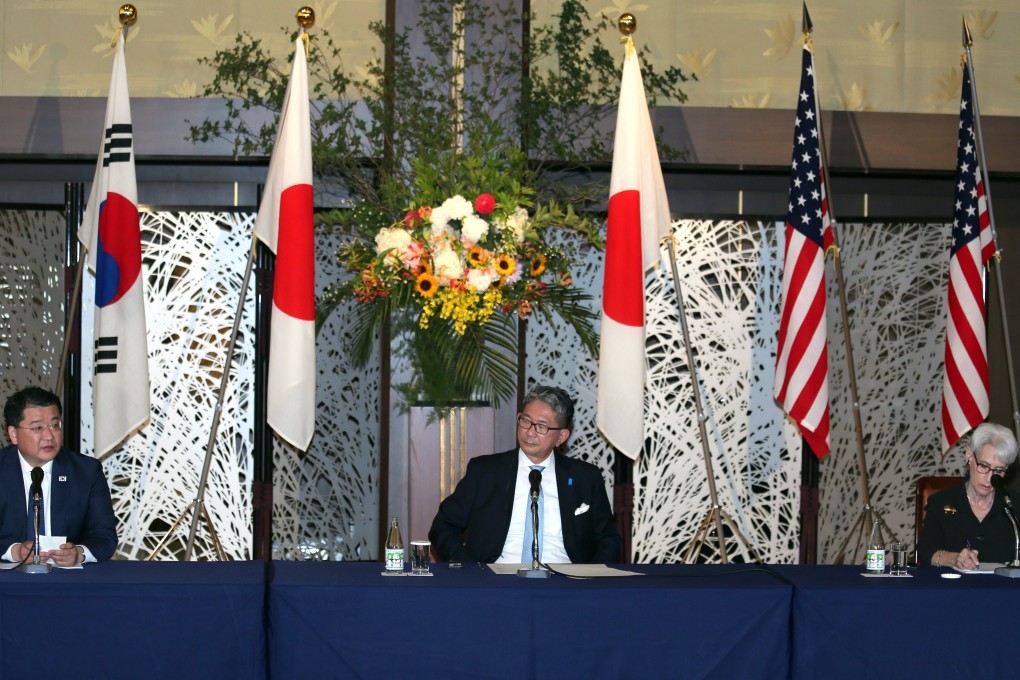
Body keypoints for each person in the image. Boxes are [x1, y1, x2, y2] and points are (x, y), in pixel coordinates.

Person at [429, 385, 621, 564]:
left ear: (561, 437)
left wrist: (588, 582)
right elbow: (443, 527)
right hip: (496, 581)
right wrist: (470, 569)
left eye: (542, 427)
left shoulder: (585, 478)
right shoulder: (485, 471)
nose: (530, 432)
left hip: (565, 583)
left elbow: (608, 540)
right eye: (526, 421)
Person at [1, 386, 118, 565]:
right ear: (13, 434)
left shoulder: (86, 471)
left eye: (55, 425)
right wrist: (14, 551)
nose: (49, 436)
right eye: (38, 428)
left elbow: (104, 535)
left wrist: (80, 553)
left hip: (68, 581)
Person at [918, 422, 1020, 568]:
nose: (988, 477)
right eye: (984, 466)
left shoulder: (1015, 506)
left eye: (998, 471)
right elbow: (927, 552)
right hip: (953, 588)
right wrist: (954, 559)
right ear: (969, 456)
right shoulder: (941, 503)